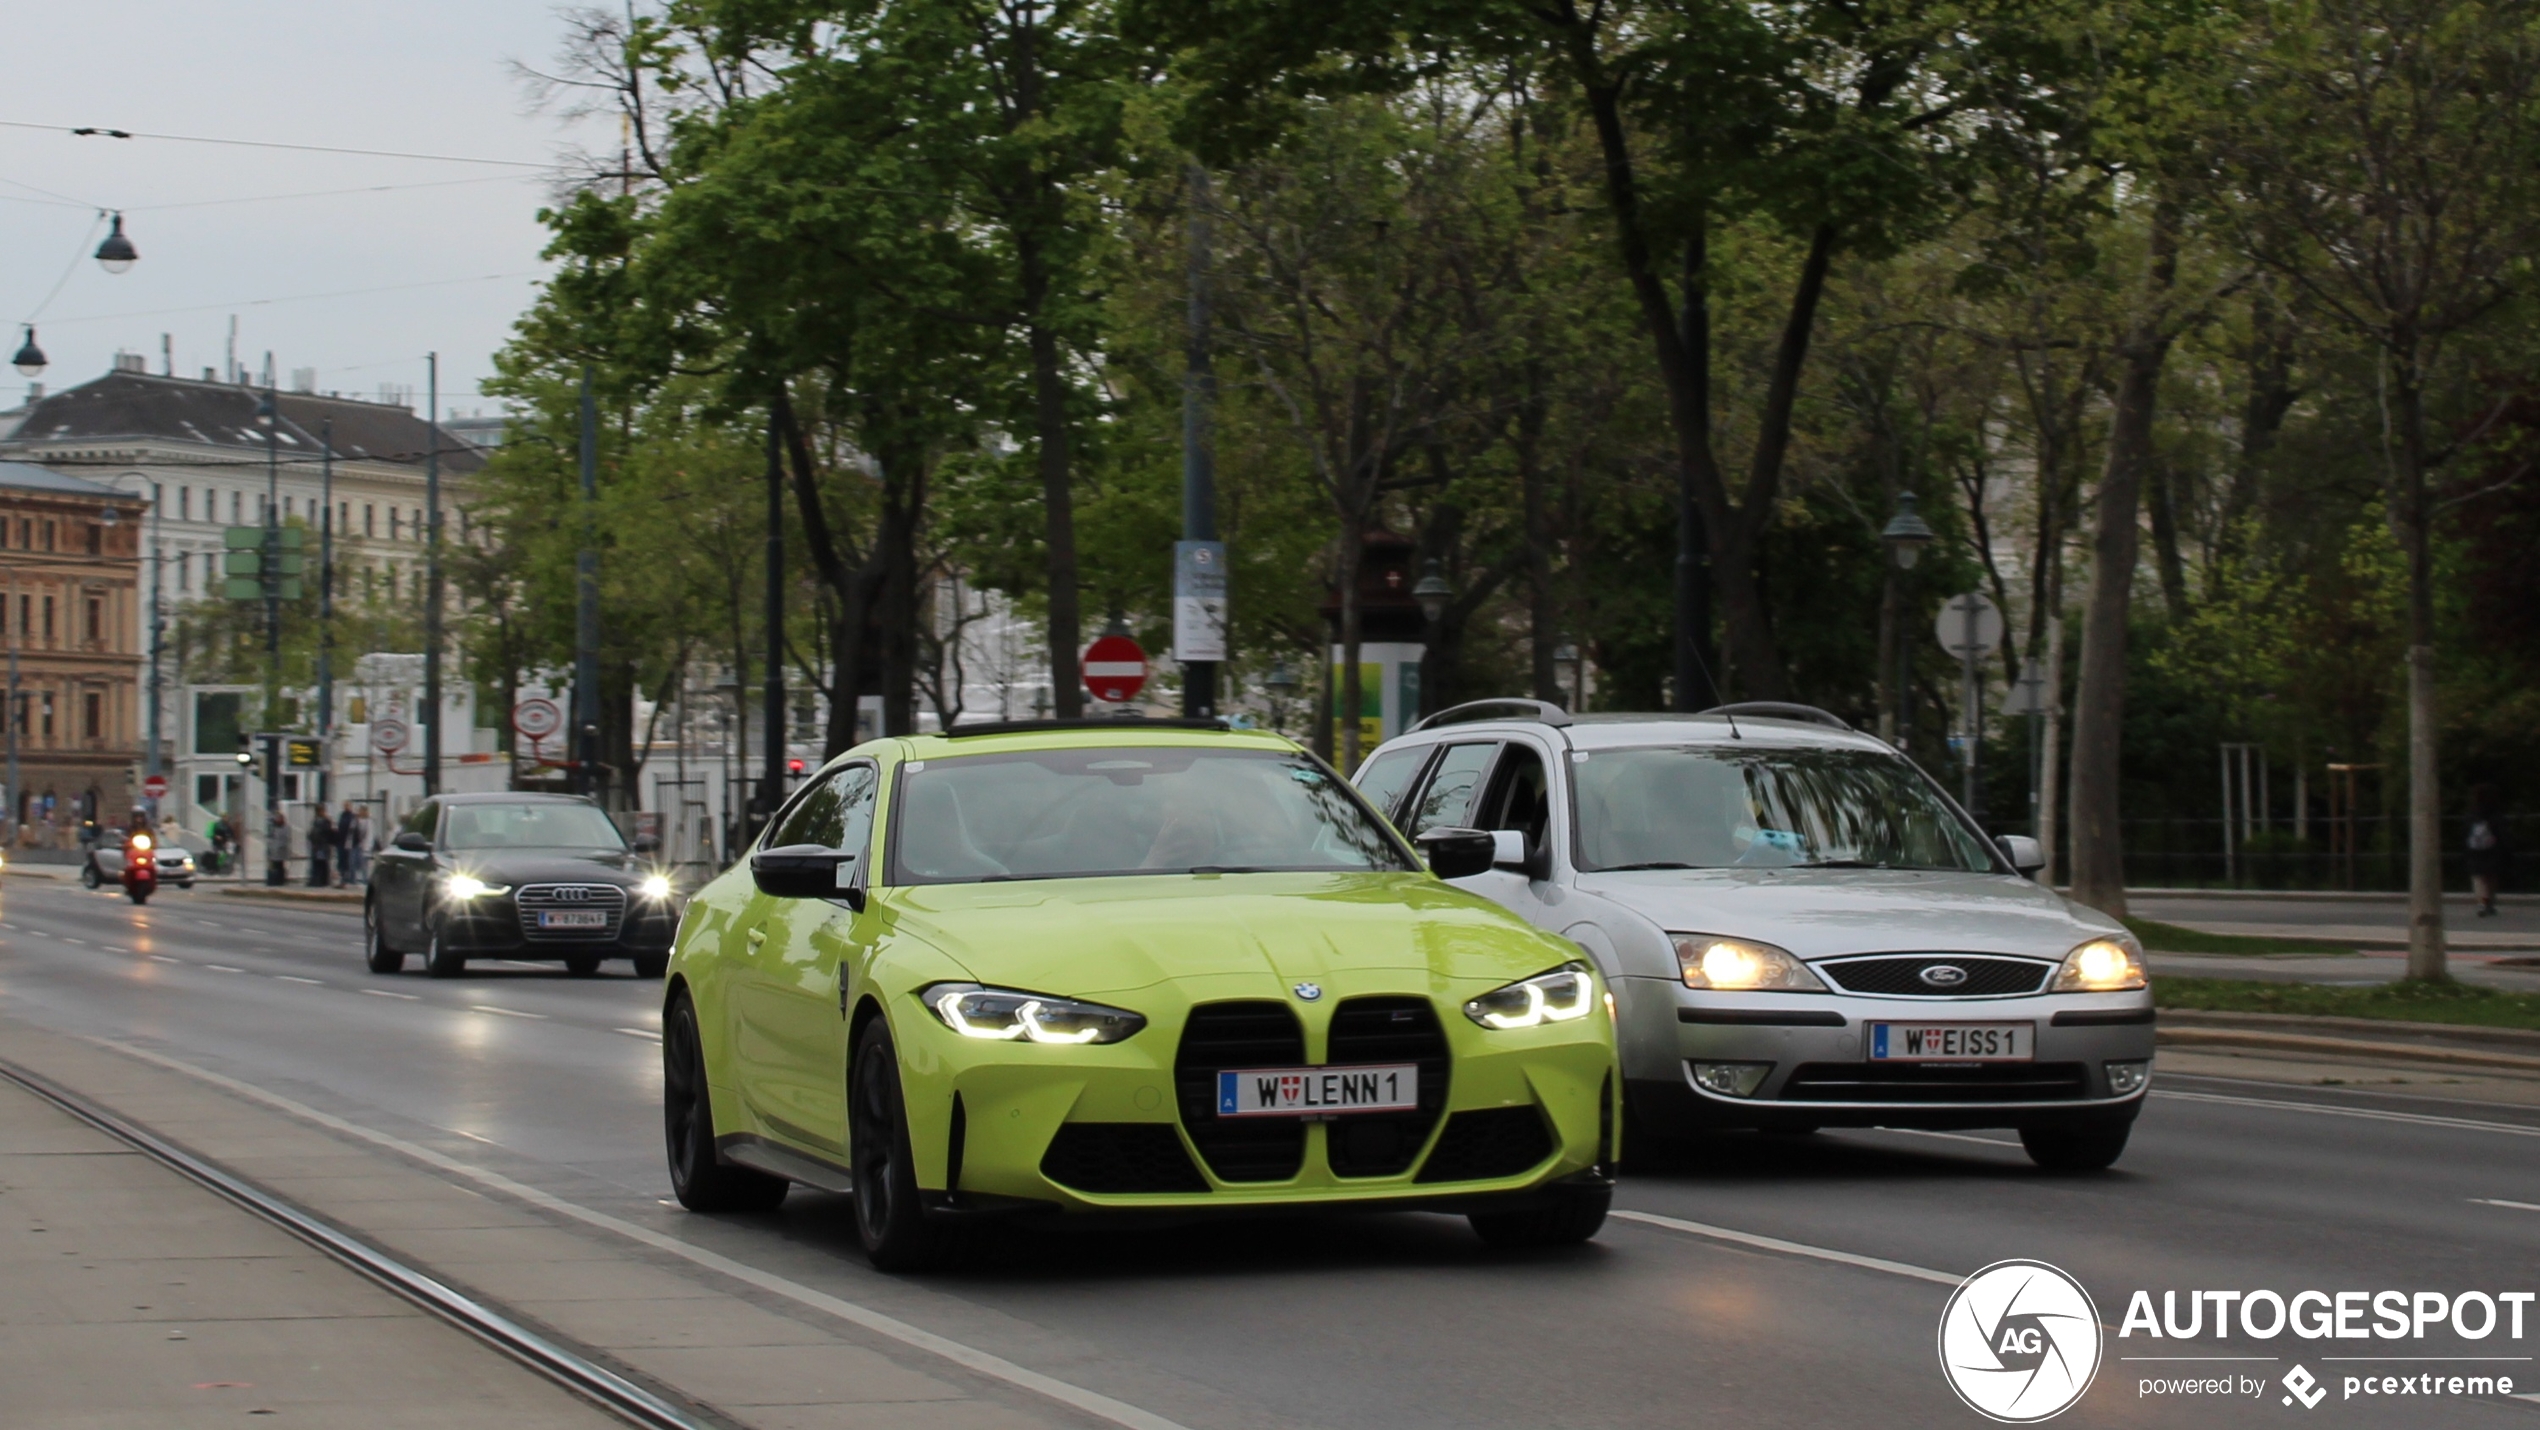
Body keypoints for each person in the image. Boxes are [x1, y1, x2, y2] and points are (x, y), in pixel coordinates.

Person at [2469, 784, 2512, 919]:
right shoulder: (2496, 813)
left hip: (2475, 849)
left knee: (2478, 877)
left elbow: (2465, 831)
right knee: (2492, 876)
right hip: (2493, 849)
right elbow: (2502, 832)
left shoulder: (2473, 813)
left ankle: (2481, 901)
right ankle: (2490, 902)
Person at [307, 801, 336, 888]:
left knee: (322, 863)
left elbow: (328, 833)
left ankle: (322, 880)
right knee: (316, 863)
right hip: (316, 846)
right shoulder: (315, 821)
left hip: (322, 845)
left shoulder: (326, 821)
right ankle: (315, 879)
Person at [337, 804, 365, 886]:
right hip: (346, 843)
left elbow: (357, 833)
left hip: (354, 844)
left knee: (354, 862)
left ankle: (355, 879)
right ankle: (347, 878)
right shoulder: (343, 817)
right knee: (347, 862)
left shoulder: (354, 819)